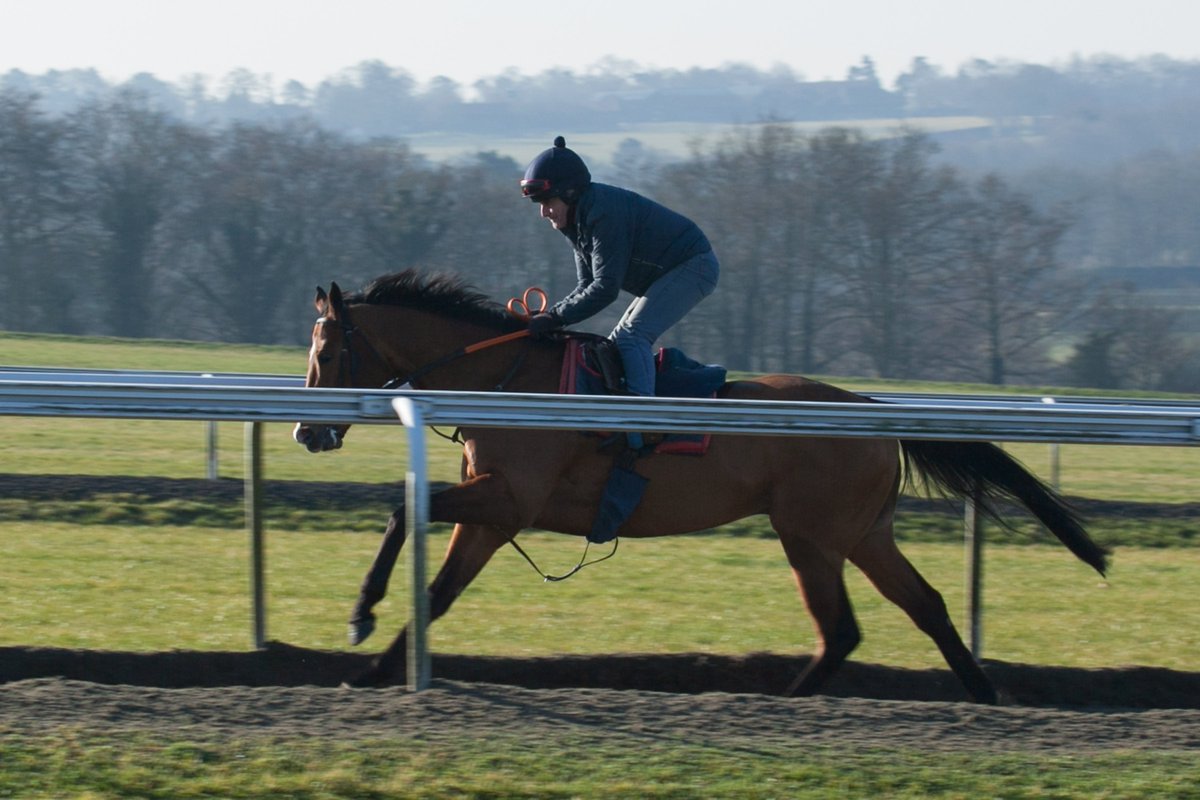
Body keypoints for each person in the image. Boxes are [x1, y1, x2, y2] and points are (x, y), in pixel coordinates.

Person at [519, 136, 720, 436]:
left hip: (694, 265)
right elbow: (585, 285)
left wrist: (555, 318)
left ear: (570, 193)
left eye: (547, 202)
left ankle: (641, 425)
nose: (543, 212)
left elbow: (605, 288)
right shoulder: (577, 220)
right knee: (615, 343)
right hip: (672, 270)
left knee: (631, 337)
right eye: (539, 204)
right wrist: (551, 316)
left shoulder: (603, 213)